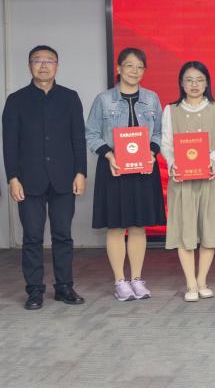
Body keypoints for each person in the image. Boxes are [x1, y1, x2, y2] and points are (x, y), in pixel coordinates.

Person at [3, 45, 87, 310]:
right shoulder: (16, 100)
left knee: (63, 235)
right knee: (32, 237)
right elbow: (9, 144)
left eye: (49, 61)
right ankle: (34, 290)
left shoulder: (69, 98)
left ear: (57, 66)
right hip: (28, 180)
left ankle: (64, 287)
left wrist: (81, 172)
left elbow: (78, 138)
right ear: (29, 66)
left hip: (64, 178)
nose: (43, 65)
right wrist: (12, 177)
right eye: (37, 61)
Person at [86, 47, 166, 301]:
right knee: (116, 226)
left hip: (143, 169)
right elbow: (91, 134)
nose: (135, 71)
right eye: (130, 65)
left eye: (140, 67)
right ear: (119, 68)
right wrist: (110, 155)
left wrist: (152, 153)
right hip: (114, 170)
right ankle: (120, 281)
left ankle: (137, 279)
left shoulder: (152, 98)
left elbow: (159, 133)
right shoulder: (103, 100)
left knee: (139, 226)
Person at [161, 61, 215, 302]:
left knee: (209, 229)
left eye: (200, 80)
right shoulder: (171, 110)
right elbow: (166, 143)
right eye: (189, 80)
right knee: (185, 230)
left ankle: (202, 281)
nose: (194, 84)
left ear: (207, 83)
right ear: (181, 83)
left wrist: (213, 162)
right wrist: (173, 163)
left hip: (210, 178)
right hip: (182, 180)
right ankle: (190, 284)